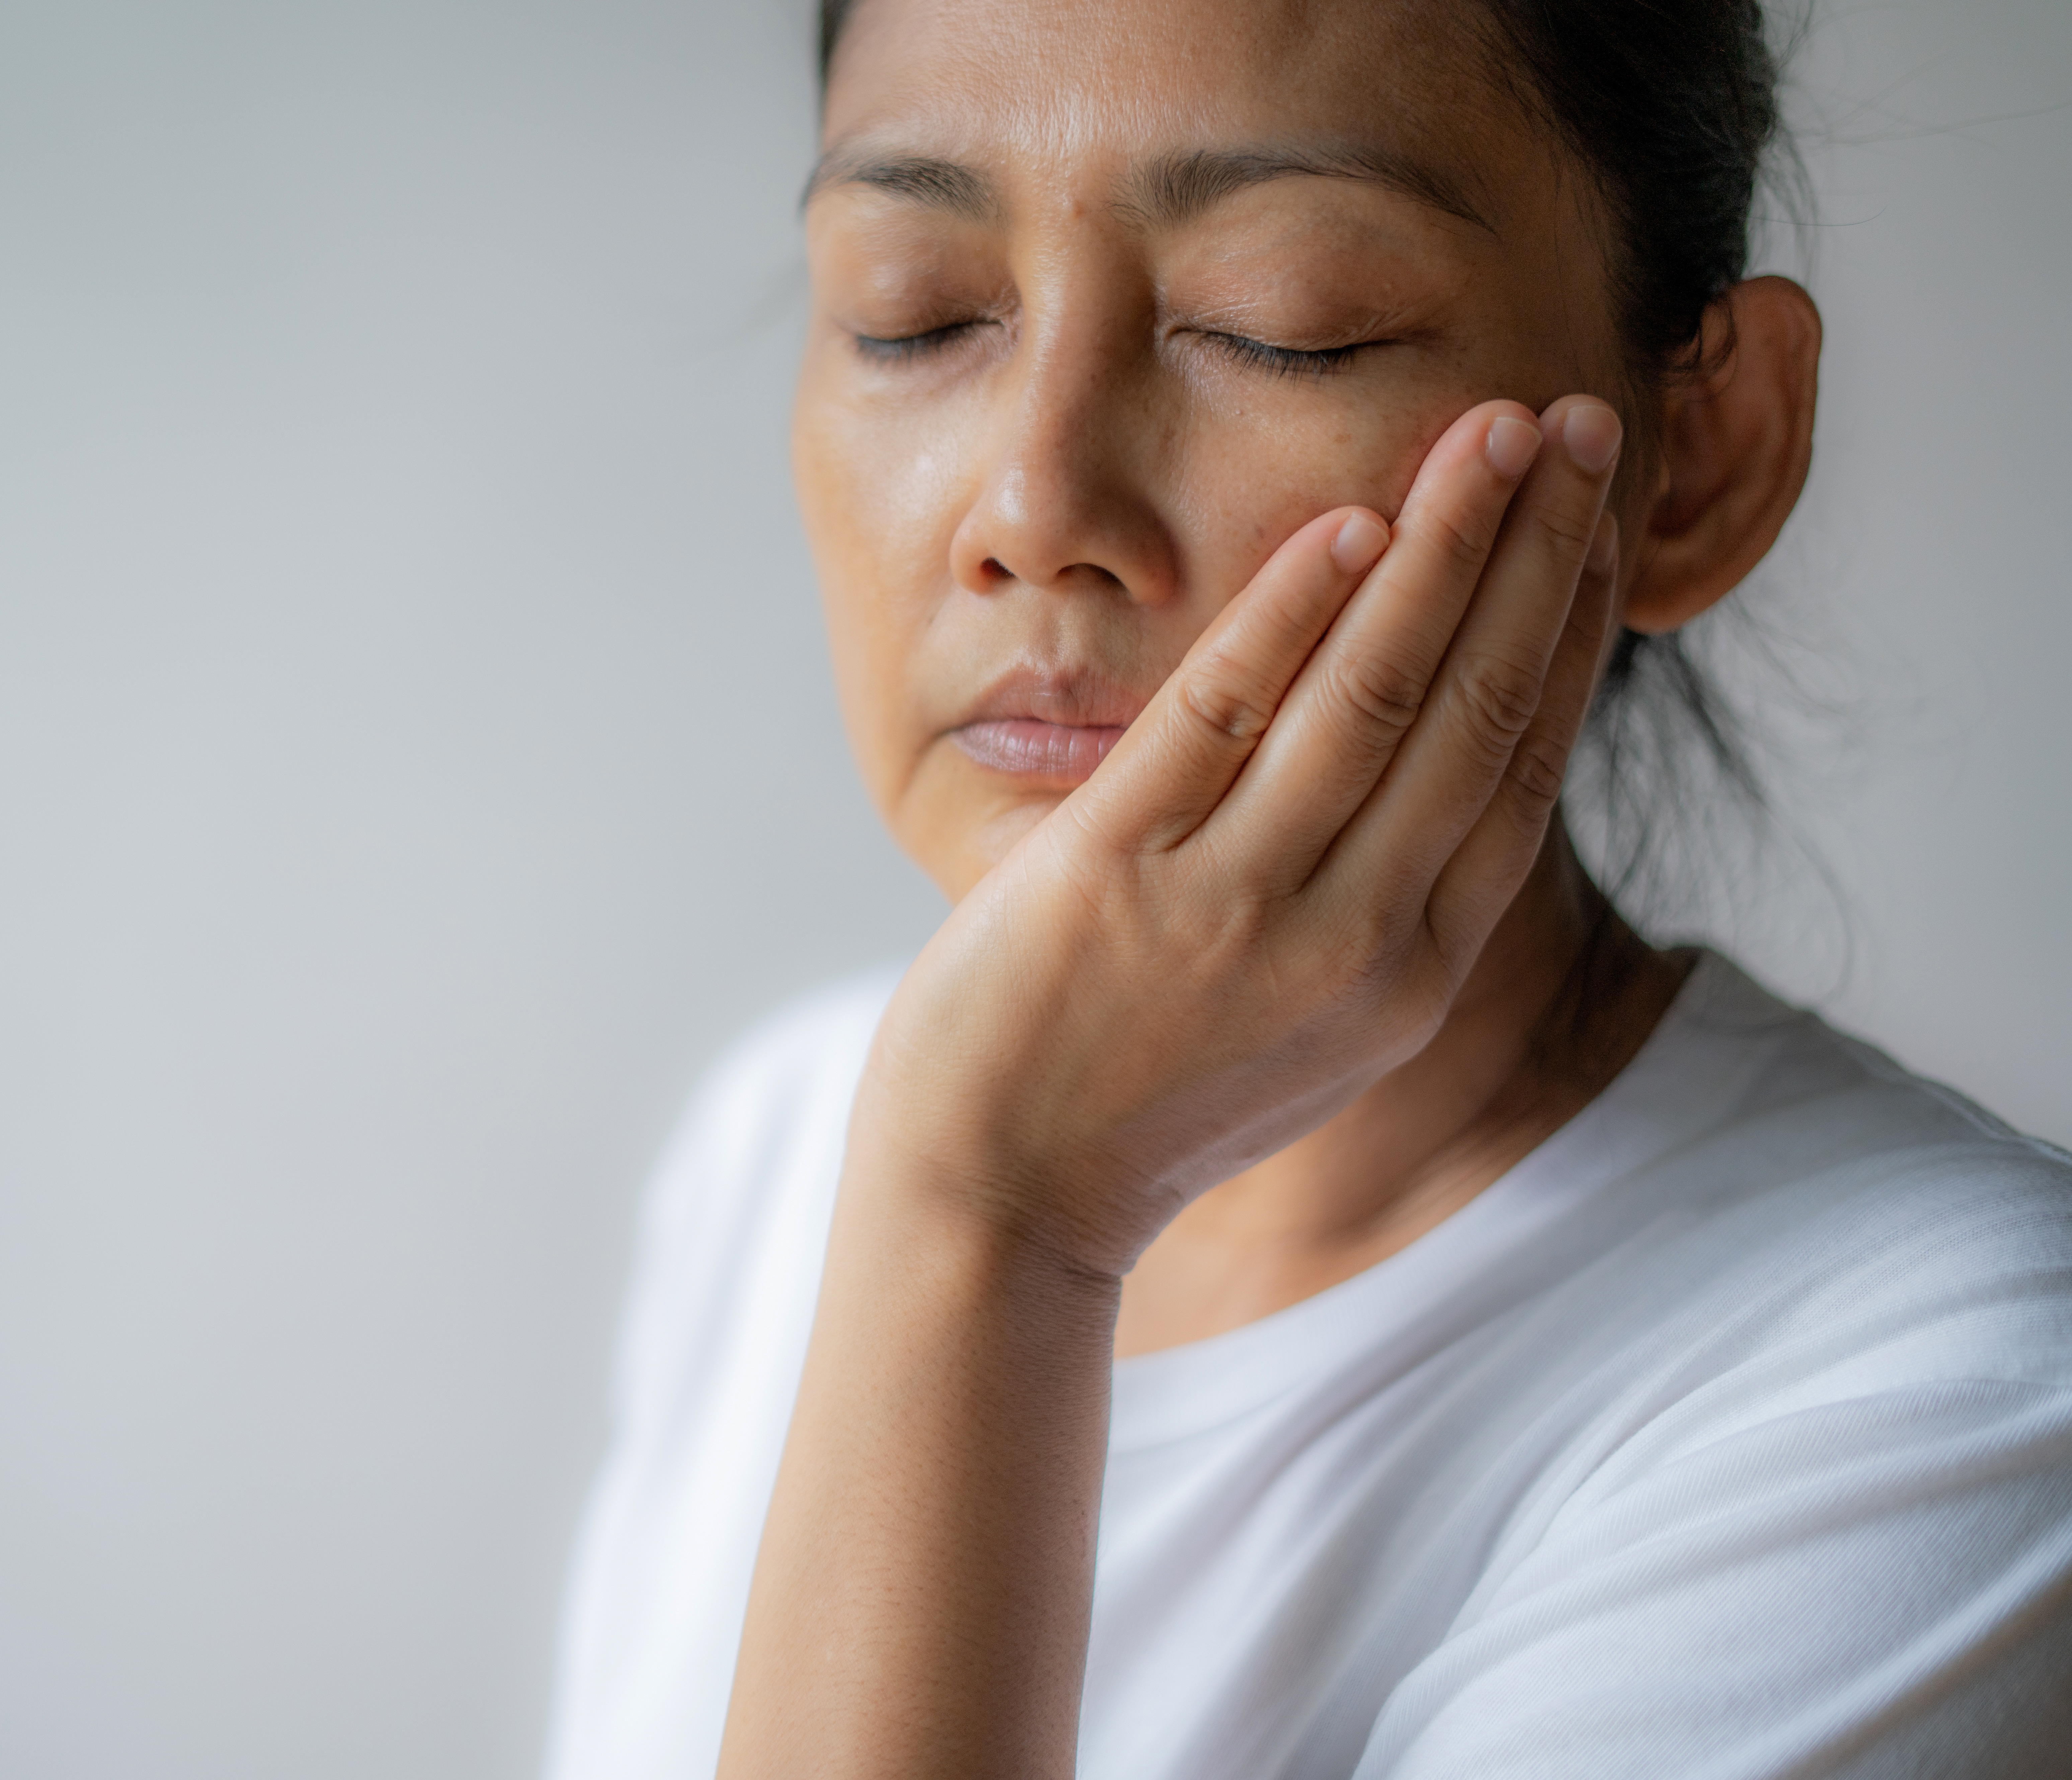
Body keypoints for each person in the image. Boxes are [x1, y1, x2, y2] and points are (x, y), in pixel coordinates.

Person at [544, 0, 2072, 1774]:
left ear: (1701, 459)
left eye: (1285, 325)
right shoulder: (783, 1147)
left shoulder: (1942, 1392)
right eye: (917, 312)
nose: (1033, 507)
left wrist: (993, 1217)